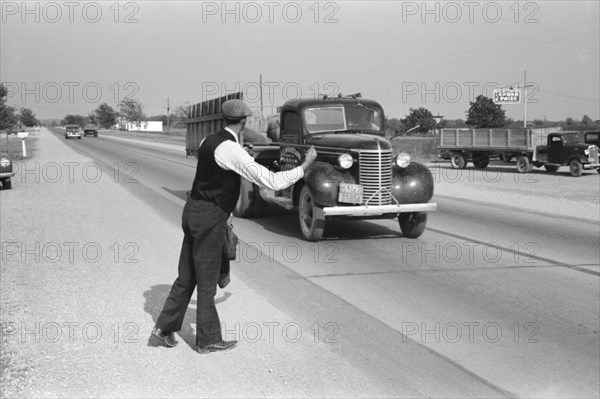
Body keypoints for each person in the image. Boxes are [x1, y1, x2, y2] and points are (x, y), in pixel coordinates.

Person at [151, 99, 317, 354]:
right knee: (206, 281)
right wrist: (304, 166)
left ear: (223, 118)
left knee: (187, 276)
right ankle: (207, 340)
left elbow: (217, 176)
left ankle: (163, 329)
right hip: (209, 218)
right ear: (244, 121)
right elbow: (271, 182)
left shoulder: (209, 141)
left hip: (193, 211)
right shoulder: (231, 149)